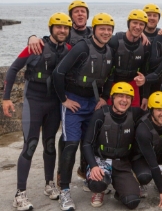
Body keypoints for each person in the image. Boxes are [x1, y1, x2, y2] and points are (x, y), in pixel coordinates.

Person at [2, 13, 72, 210]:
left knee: (50, 145)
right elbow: (13, 69)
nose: (62, 30)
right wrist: (6, 98)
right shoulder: (36, 46)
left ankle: (49, 185)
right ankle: (20, 194)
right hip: (34, 102)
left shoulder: (68, 49)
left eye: (66, 28)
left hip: (54, 104)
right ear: (51, 29)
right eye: (58, 27)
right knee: (30, 145)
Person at [53, 13, 116, 211]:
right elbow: (58, 73)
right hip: (74, 101)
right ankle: (64, 190)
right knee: (70, 145)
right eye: (102, 28)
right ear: (94, 29)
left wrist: (105, 97)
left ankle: (91, 180)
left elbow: (110, 77)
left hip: (93, 102)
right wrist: (64, 99)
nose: (106, 32)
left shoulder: (109, 51)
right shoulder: (82, 47)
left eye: (109, 29)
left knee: (93, 143)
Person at [27, 0, 94, 186]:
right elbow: (44, 42)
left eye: (83, 11)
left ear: (87, 15)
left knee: (87, 134)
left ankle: (83, 169)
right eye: (76, 11)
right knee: (67, 135)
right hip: (64, 90)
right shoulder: (64, 31)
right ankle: (60, 173)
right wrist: (31, 36)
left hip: (86, 91)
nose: (80, 14)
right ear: (70, 16)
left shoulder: (92, 33)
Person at [82, 82, 145, 209]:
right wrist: (94, 166)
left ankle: (120, 190)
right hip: (102, 161)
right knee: (97, 184)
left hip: (122, 163)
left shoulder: (135, 114)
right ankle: (99, 191)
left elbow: (156, 116)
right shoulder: (100, 114)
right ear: (113, 98)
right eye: (120, 96)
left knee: (132, 201)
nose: (124, 100)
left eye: (128, 97)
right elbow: (87, 144)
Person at [108, 9, 149, 109]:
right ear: (128, 24)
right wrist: (104, 95)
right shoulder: (114, 40)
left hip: (132, 84)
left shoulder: (145, 45)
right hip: (113, 83)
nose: (138, 27)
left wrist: (145, 96)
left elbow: (145, 72)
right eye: (135, 23)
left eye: (141, 24)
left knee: (133, 117)